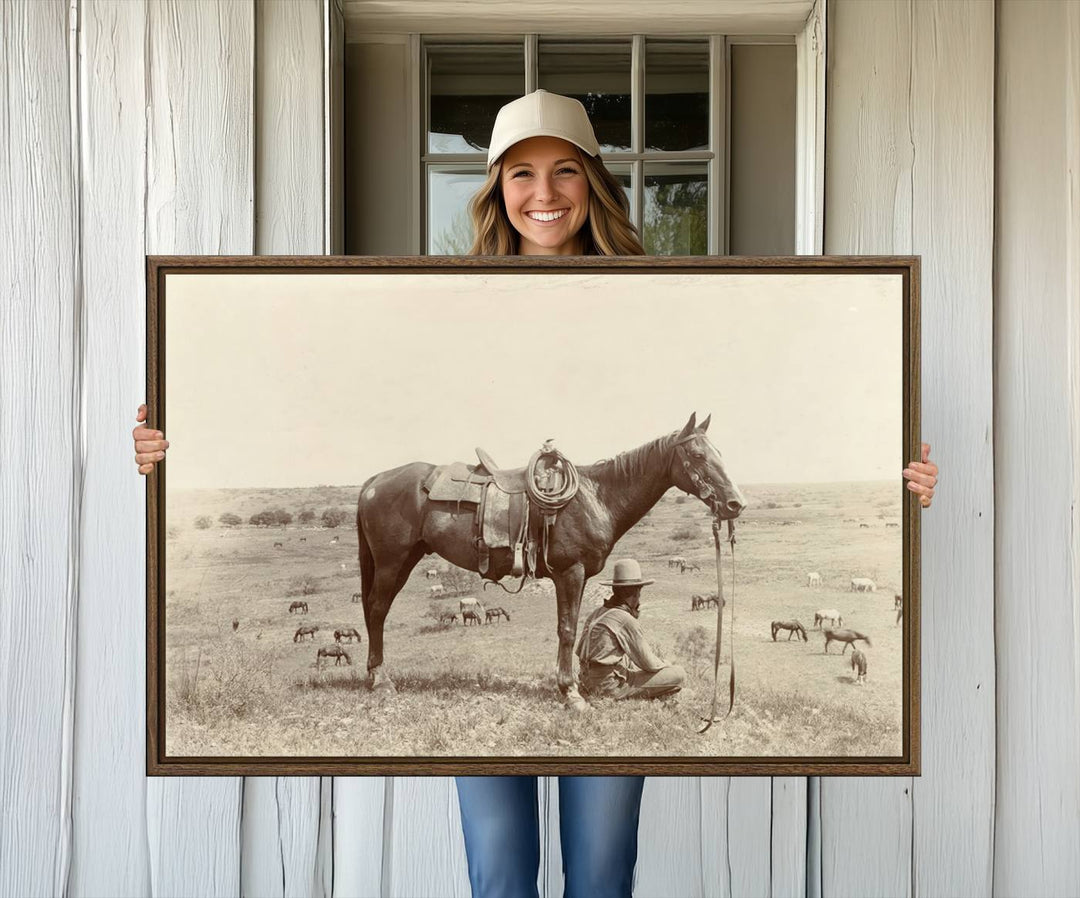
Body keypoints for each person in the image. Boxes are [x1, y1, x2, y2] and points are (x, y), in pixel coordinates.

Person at [130, 89, 940, 898]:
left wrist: (900, 477)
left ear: (592, 182)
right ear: (495, 189)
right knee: (499, 873)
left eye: (563, 173)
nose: (543, 194)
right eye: (521, 174)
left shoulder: (655, 296)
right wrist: (162, 448)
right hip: (499, 474)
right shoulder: (443, 296)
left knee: (600, 872)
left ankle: (572, 679)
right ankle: (392, 661)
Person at [576, 558, 685, 701]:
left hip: (585, 683)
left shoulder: (597, 613)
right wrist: (666, 664)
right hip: (608, 687)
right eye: (638, 594)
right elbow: (649, 664)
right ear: (635, 593)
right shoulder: (625, 619)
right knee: (679, 674)